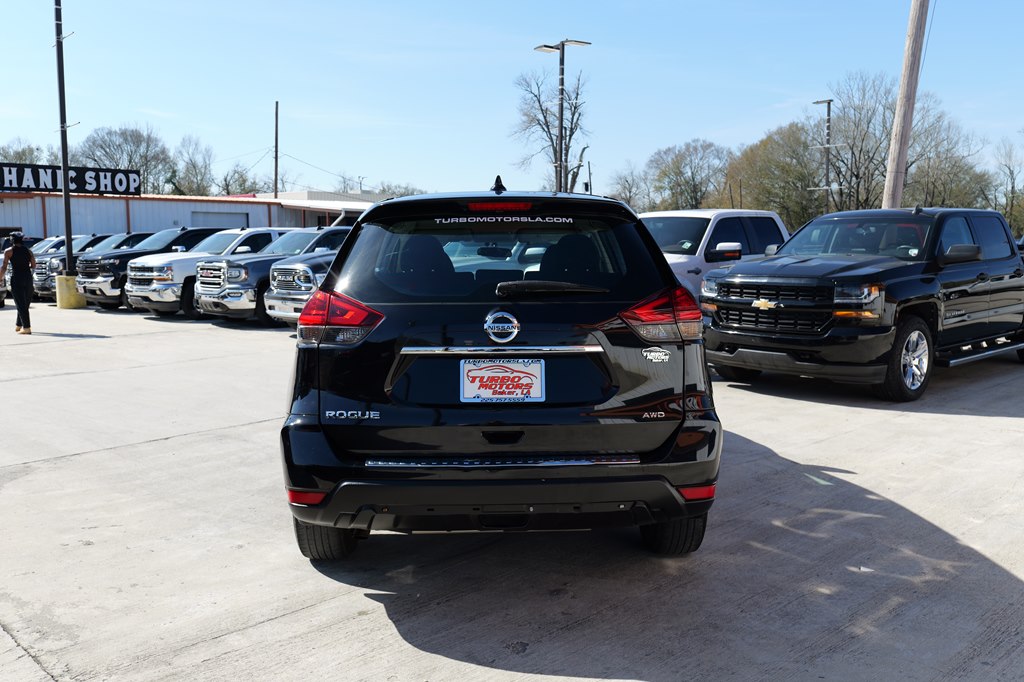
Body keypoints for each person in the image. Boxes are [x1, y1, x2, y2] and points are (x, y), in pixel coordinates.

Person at [0, 232, 36, 334]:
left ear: (12, 240)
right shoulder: (29, 251)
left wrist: (0, 278)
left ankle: (26, 328)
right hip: (28, 278)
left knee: (20, 304)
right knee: (24, 303)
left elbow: (4, 267)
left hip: (17, 278)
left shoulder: (8, 251)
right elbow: (33, 265)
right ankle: (19, 324)